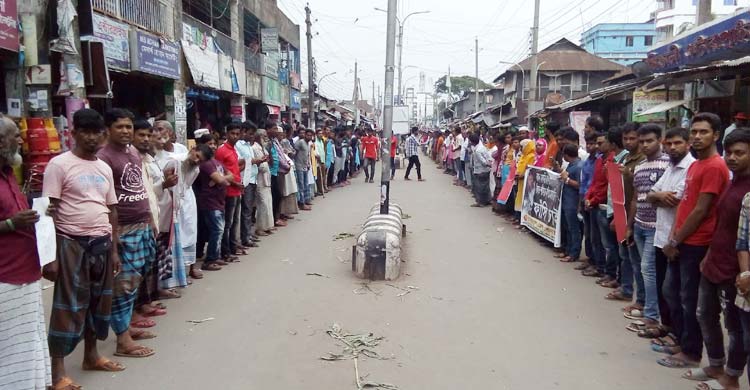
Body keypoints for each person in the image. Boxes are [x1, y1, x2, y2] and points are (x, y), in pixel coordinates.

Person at [43, 109, 123, 388]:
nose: (91, 138)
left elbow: (111, 210)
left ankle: (92, 356)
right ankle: (58, 373)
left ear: (102, 134)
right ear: (73, 133)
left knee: (98, 303)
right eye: (85, 132)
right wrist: (50, 257)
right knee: (67, 307)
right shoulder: (59, 165)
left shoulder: (103, 167)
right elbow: (47, 212)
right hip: (71, 242)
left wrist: (113, 250)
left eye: (96, 132)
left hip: (101, 243)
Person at [659, 113, 730, 369]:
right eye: (695, 132)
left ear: (716, 135)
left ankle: (691, 352)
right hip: (681, 240)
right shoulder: (696, 165)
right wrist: (672, 237)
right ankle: (682, 340)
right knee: (672, 292)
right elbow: (683, 202)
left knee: (690, 300)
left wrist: (676, 240)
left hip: (697, 243)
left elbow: (701, 210)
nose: (698, 137)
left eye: (703, 132)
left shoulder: (715, 166)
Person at [688, 129, 750, 389]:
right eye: (729, 153)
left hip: (735, 270)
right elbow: (721, 224)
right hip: (714, 260)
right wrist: (709, 255)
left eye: (740, 153)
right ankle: (715, 364)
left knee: (734, 327)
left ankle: (731, 377)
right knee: (704, 314)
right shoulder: (732, 182)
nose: (732, 158)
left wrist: (744, 272)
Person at [96, 109, 157, 359]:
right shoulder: (104, 158)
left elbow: (141, 188)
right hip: (122, 229)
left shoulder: (132, 153)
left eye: (128, 127)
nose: (126, 131)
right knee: (123, 284)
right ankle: (122, 340)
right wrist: (112, 236)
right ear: (108, 129)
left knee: (137, 280)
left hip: (143, 224)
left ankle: (127, 326)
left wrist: (151, 219)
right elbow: (104, 201)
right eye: (120, 127)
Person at [0, 115, 52, 390]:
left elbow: (17, 212)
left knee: (27, 343)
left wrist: (40, 212)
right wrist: (11, 223)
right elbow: (11, 219)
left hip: (26, 272)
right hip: (6, 278)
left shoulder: (8, 173)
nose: (21, 140)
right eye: (14, 135)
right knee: (11, 350)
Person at [647, 127, 696, 348]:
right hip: (661, 235)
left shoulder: (690, 168)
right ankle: (666, 326)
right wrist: (657, 196)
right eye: (670, 143)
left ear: (688, 144)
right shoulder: (671, 167)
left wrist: (657, 196)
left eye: (677, 143)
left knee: (675, 292)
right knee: (662, 287)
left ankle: (679, 335)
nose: (672, 147)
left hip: (676, 239)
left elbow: (675, 199)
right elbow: (652, 194)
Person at [627, 124, 670, 335]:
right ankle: (645, 306)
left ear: (659, 140)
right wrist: (630, 224)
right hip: (640, 223)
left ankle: (651, 317)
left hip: (657, 227)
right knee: (641, 268)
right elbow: (635, 198)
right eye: (642, 141)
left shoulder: (668, 164)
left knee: (648, 270)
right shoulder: (641, 166)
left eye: (649, 141)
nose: (645, 145)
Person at [195, 134, 231, 271]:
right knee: (217, 229)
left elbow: (230, 176)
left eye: (214, 143)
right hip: (210, 202)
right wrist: (221, 179)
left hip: (218, 200)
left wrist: (219, 178)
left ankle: (215, 256)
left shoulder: (217, 163)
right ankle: (210, 260)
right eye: (210, 144)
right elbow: (223, 180)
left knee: (218, 230)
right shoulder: (206, 165)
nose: (213, 146)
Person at [215, 124, 244, 261]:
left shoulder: (233, 149)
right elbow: (220, 173)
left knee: (234, 221)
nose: (235, 136)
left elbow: (234, 168)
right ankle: (225, 252)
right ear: (227, 134)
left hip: (237, 190)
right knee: (227, 223)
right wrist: (235, 183)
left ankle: (233, 247)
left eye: (237, 134)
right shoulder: (221, 151)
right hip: (228, 191)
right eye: (232, 133)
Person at [577, 133, 601, 274]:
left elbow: (596, 183)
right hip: (584, 198)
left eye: (594, 143)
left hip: (594, 201)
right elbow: (584, 181)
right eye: (589, 144)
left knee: (596, 237)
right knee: (589, 233)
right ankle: (591, 260)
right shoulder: (588, 160)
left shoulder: (599, 161)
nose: (591, 146)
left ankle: (599, 265)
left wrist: (590, 199)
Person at [236, 121, 262, 248]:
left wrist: (256, 162)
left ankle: (248, 234)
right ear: (244, 132)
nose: (252, 137)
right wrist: (254, 161)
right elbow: (240, 162)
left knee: (250, 209)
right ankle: (245, 238)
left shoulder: (248, 146)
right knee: (246, 210)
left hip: (253, 179)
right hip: (245, 181)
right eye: (250, 134)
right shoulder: (238, 145)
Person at [559, 144, 584, 263]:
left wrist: (567, 180)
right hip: (567, 200)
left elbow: (580, 185)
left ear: (566, 155)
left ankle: (574, 253)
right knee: (568, 227)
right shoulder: (571, 165)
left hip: (573, 202)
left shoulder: (579, 166)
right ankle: (568, 250)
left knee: (574, 229)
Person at [253, 129, 275, 237]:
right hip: (259, 178)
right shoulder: (255, 148)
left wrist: (267, 158)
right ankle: (260, 228)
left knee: (268, 202)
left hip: (266, 178)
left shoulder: (263, 148)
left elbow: (268, 159)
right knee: (262, 204)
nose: (266, 138)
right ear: (259, 137)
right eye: (264, 136)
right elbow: (258, 164)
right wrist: (263, 161)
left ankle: (267, 226)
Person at [513, 139, 535, 224]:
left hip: (526, 182)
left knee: (525, 200)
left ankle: (523, 221)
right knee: (519, 198)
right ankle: (518, 218)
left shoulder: (531, 156)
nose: (520, 148)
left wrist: (522, 175)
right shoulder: (523, 155)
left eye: (522, 147)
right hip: (520, 181)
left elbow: (530, 169)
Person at [469, 133, 492, 207]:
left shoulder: (477, 150)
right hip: (486, 170)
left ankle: (480, 202)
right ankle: (487, 200)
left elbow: (483, 161)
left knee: (479, 187)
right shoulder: (482, 147)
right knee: (485, 186)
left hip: (480, 170)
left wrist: (487, 164)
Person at [293, 128, 313, 209]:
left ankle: (306, 200)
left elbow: (307, 155)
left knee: (305, 184)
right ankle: (301, 203)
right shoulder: (300, 142)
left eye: (311, 135)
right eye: (308, 135)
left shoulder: (308, 144)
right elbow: (295, 153)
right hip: (299, 166)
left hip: (305, 166)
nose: (309, 137)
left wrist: (308, 163)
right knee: (301, 185)